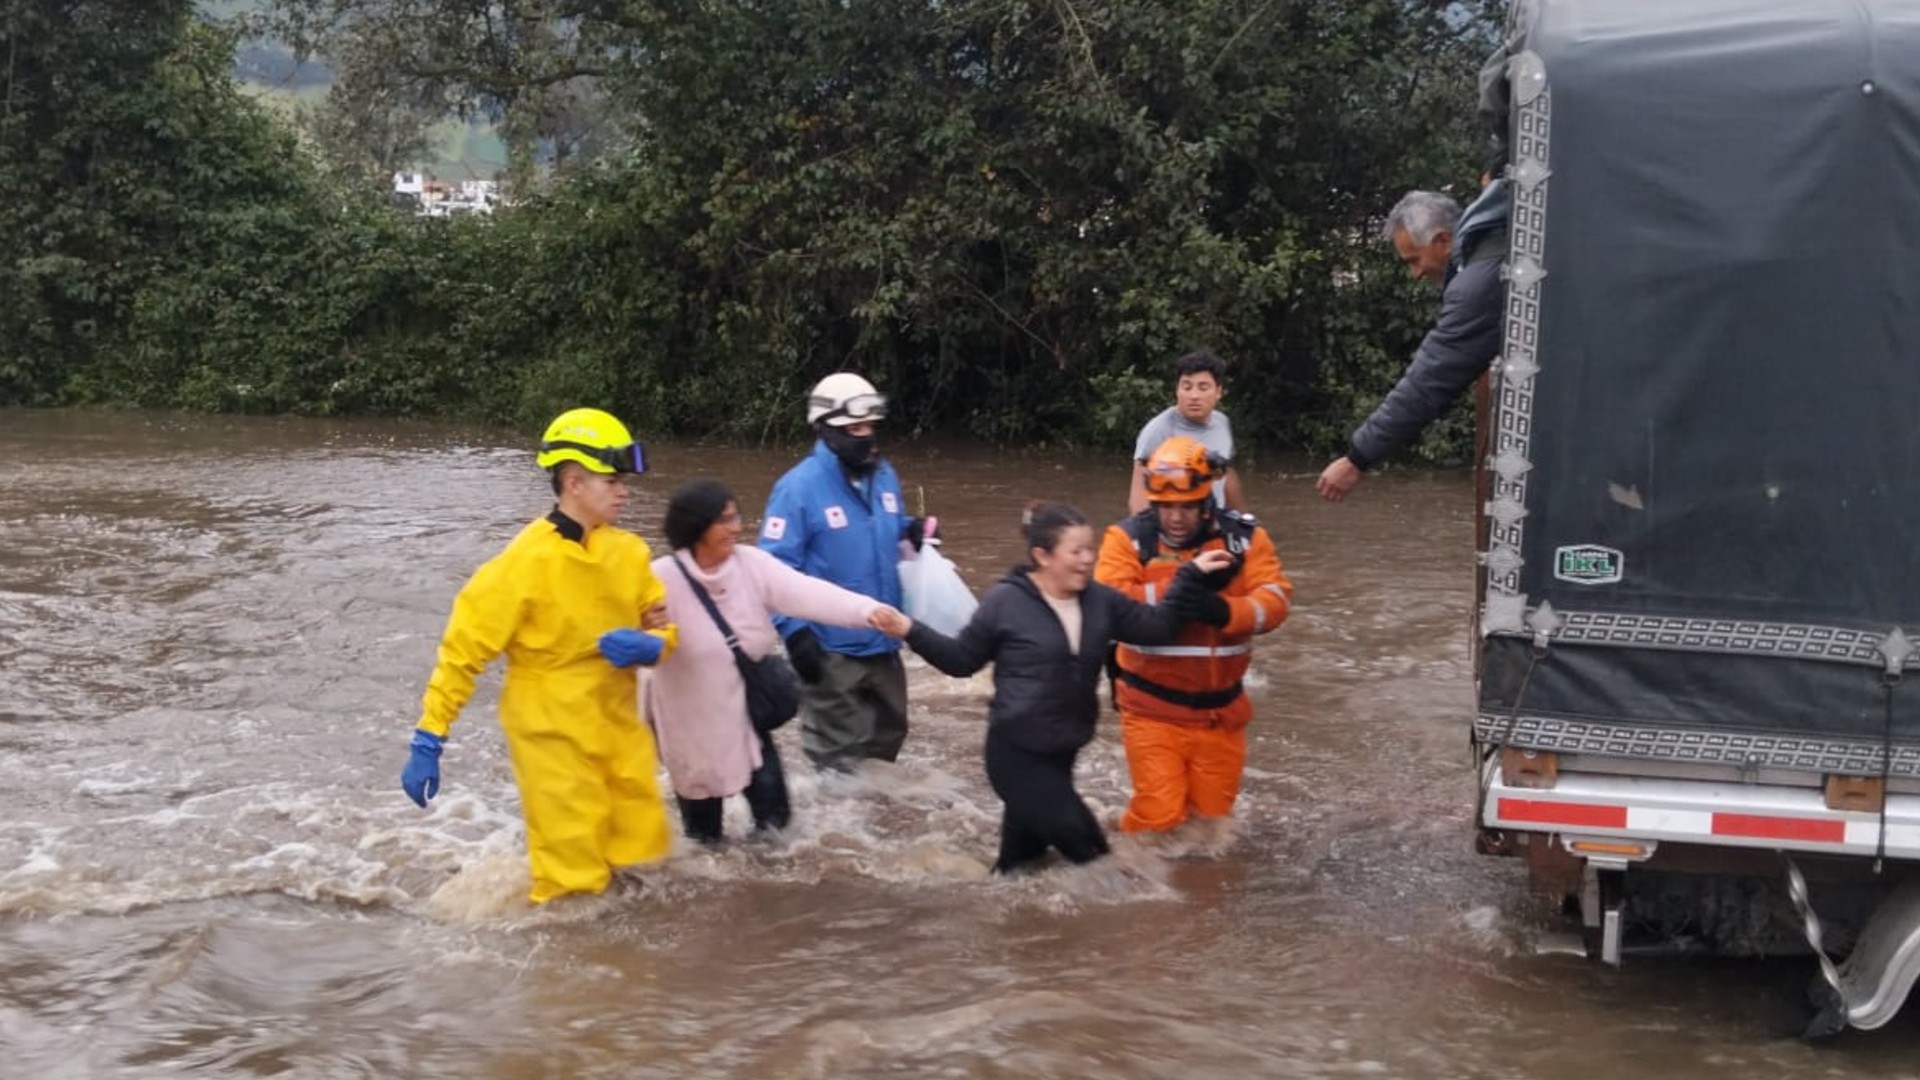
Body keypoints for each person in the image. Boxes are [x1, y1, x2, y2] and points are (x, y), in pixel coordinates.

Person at [398, 407, 678, 905]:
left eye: (623, 482)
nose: (624, 492)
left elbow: (661, 623)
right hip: (551, 733)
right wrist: (429, 737)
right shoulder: (520, 565)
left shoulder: (630, 553)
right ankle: (565, 950)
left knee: (642, 855)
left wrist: (655, 645)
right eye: (612, 481)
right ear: (574, 483)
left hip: (618, 726)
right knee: (574, 880)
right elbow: (463, 653)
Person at [871, 502, 1233, 874]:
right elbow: (961, 660)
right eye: (1076, 551)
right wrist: (909, 629)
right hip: (1016, 758)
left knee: (1019, 871)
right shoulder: (1006, 602)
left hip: (1063, 757)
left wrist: (1188, 576)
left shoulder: (1100, 601)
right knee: (1098, 860)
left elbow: (1157, 628)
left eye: (1089, 549)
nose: (1087, 559)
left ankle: (983, 904)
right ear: (1042, 556)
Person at [612, 479, 904, 845]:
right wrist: (638, 631)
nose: (736, 528)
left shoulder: (751, 565)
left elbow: (806, 592)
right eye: (725, 521)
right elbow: (616, 625)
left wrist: (867, 611)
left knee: (777, 829)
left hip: (745, 717)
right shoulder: (660, 578)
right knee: (704, 841)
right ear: (696, 527)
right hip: (688, 728)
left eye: (737, 518)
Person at [1096, 435, 1293, 837]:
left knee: (1211, 828)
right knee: (1159, 818)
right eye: (1166, 507)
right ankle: (1123, 865)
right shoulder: (1127, 540)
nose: (1175, 518)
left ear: (1207, 502)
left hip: (1221, 714)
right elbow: (1107, 603)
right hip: (1151, 709)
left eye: (1186, 507)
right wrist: (1181, 587)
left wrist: (1223, 611)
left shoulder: (1245, 540)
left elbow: (1274, 601)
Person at [759, 372, 935, 771]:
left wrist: (910, 531)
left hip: (885, 641)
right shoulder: (797, 489)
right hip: (829, 650)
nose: (866, 436)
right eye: (855, 429)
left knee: (887, 750)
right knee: (837, 765)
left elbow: (884, 533)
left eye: (870, 426)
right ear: (826, 429)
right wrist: (794, 632)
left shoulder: (884, 476)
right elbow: (771, 569)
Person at [1316, 175, 1511, 502]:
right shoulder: (1499, 247)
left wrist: (1357, 458)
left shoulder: (1477, 285)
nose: (1415, 274)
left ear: (1444, 240)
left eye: (1414, 260)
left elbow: (1429, 380)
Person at [1127, 350, 1245, 515]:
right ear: (1177, 390)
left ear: (1218, 392)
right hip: (1176, 524)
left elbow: (1226, 476)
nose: (1194, 396)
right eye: (1187, 387)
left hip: (1212, 522)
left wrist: (1242, 521)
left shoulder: (1222, 423)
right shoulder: (1158, 431)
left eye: (1203, 388)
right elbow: (1138, 498)